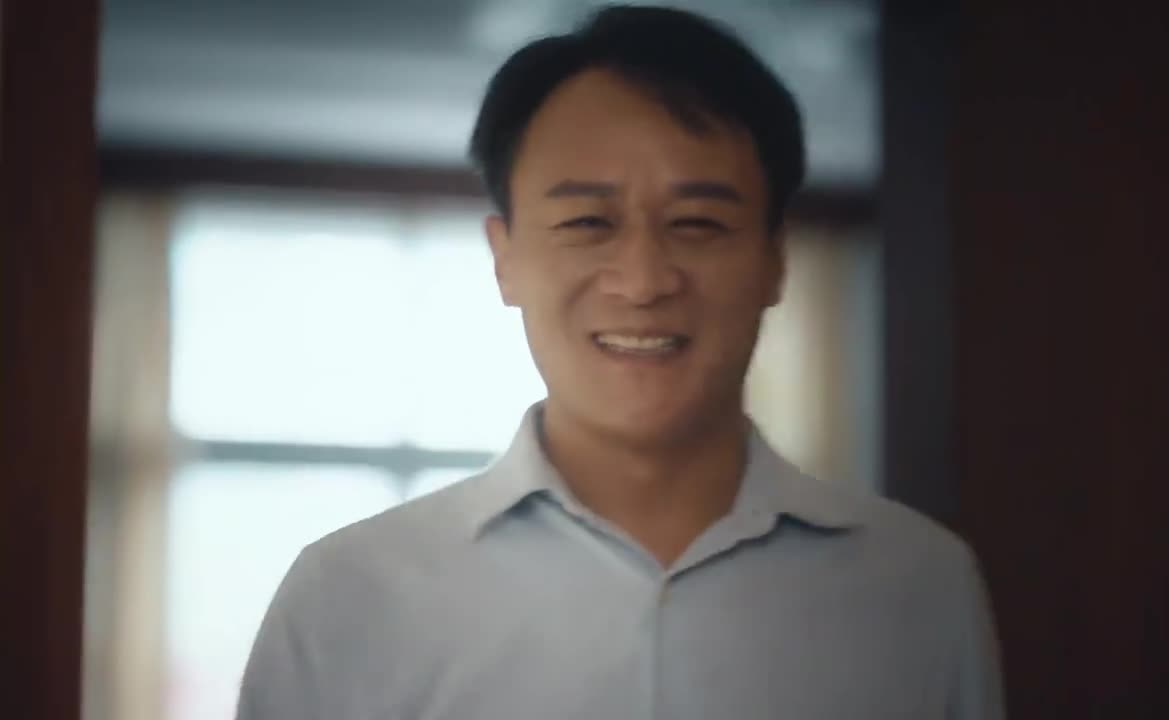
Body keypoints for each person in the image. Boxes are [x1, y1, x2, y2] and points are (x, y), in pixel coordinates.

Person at [236, 5, 1004, 719]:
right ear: (505, 259)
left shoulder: (921, 585)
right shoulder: (351, 594)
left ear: (775, 261)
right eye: (587, 222)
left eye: (697, 223)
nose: (642, 282)